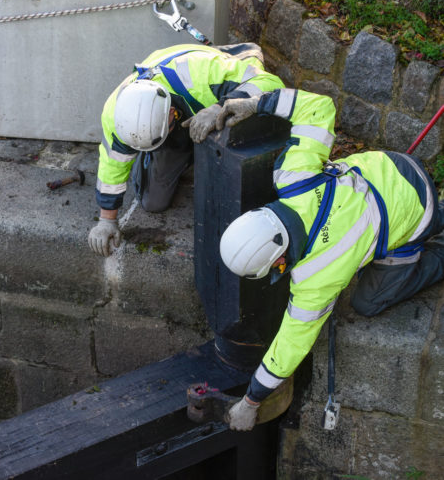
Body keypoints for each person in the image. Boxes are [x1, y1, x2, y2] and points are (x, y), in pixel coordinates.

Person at [216, 88, 444, 431]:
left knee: (367, 301)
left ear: (280, 263)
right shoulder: (292, 177)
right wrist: (255, 103)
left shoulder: (317, 278)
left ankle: (438, 247)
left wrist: (251, 401)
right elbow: (319, 107)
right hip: (390, 166)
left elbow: (292, 344)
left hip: (418, 210)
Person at [88, 43, 285, 256]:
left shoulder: (202, 74)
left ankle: (239, 55)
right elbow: (112, 166)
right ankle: (169, 156)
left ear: (172, 112)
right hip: (173, 120)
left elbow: (271, 83)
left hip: (212, 92)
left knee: (248, 132)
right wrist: (107, 220)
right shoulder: (115, 115)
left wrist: (221, 107)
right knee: (153, 201)